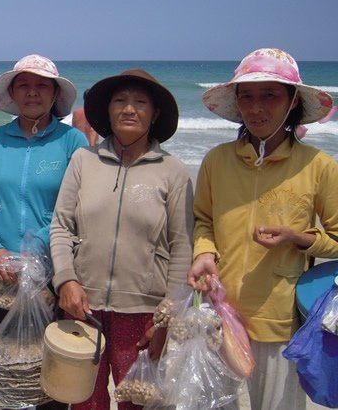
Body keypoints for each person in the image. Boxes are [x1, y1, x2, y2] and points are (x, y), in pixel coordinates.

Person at [188, 48, 338, 410]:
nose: (256, 107)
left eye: (270, 95)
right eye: (247, 96)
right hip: (218, 313)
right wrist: (203, 252)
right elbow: (203, 220)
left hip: (280, 322)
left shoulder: (318, 166)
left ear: (292, 103)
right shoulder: (217, 160)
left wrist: (298, 238)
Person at [49, 69, 193, 410]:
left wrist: (165, 321)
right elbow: (60, 227)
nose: (129, 109)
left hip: (143, 315)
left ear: (155, 114)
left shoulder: (173, 171)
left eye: (140, 102)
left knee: (136, 403)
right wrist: (66, 280)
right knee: (85, 400)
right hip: (82, 308)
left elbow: (182, 248)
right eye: (120, 101)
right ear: (108, 111)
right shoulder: (83, 160)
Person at [0, 54, 88, 410]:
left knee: (51, 361)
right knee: (9, 357)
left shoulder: (72, 142)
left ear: (54, 94)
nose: (32, 92)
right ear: (13, 93)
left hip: (54, 269)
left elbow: (76, 204)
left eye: (41, 85)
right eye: (24, 85)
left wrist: (40, 250)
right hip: (1, 268)